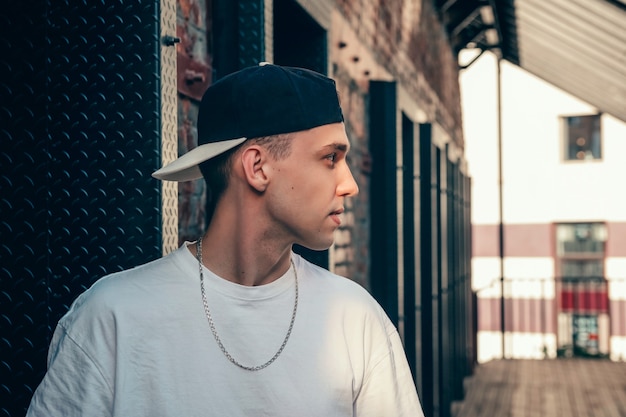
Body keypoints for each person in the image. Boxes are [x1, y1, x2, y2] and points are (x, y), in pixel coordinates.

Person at [26, 63, 424, 416]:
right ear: (257, 167)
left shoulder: (356, 320)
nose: (349, 184)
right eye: (330, 158)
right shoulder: (112, 317)